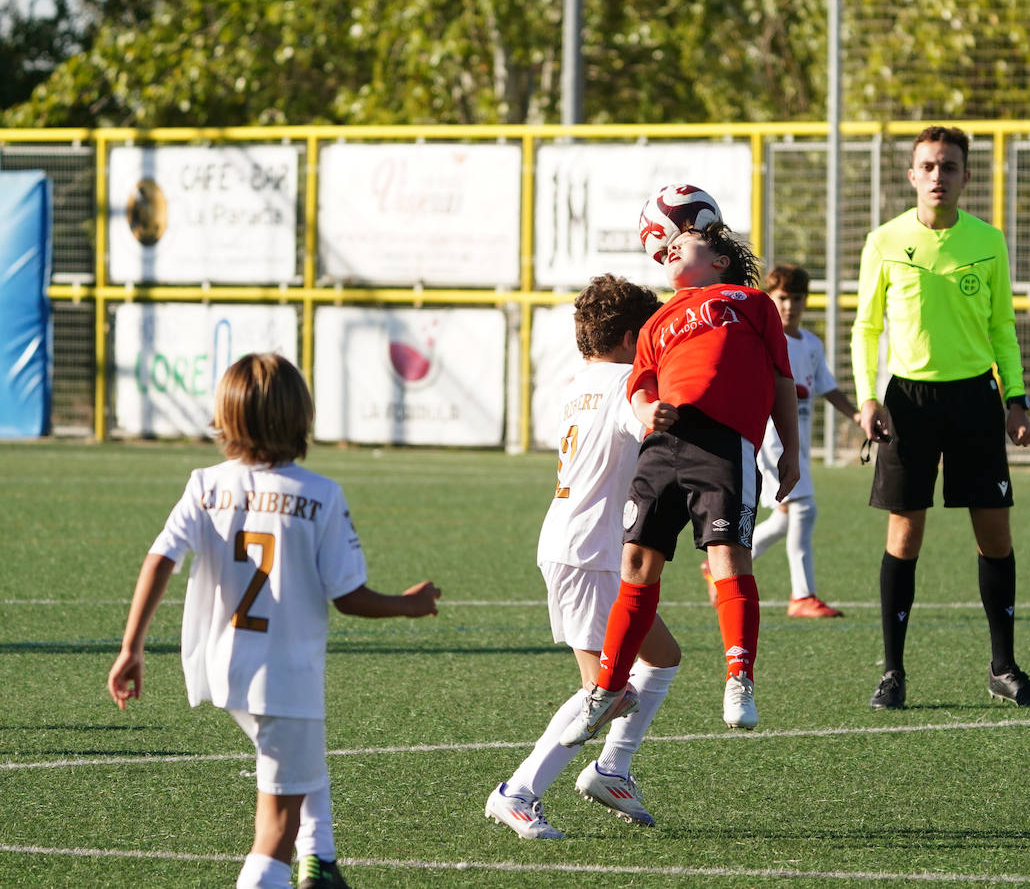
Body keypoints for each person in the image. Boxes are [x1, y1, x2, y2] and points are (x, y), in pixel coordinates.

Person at [106, 353, 441, 889]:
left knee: (301, 771)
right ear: (300, 417)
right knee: (275, 829)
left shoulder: (205, 484)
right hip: (283, 677)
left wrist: (131, 648)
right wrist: (411, 603)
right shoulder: (319, 494)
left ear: (227, 417)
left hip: (225, 667)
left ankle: (322, 861)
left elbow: (159, 559)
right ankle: (310, 862)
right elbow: (349, 598)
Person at [559, 219, 800, 745]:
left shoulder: (749, 302)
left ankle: (740, 678)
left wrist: (791, 452)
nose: (669, 248)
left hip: (722, 441)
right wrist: (648, 409)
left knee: (726, 554)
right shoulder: (656, 321)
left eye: (684, 243)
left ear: (718, 261)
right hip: (662, 445)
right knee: (636, 561)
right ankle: (606, 686)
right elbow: (640, 387)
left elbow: (782, 379)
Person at [850, 125, 1030, 711]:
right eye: (929, 166)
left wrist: (1016, 399)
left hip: (975, 402)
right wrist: (868, 397)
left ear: (966, 176)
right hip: (908, 405)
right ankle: (892, 672)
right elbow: (866, 328)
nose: (939, 176)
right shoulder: (884, 240)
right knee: (905, 536)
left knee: (995, 536)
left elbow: (1002, 329)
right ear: (912, 175)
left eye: (950, 166)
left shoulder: (989, 241)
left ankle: (1003, 667)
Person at [484, 275, 682, 839]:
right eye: (647, 336)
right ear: (628, 338)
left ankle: (612, 771)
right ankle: (518, 791)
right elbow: (644, 420)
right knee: (608, 689)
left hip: (586, 545)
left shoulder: (578, 383)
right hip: (589, 552)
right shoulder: (626, 382)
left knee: (662, 657)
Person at [712, 262, 861, 618]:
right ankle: (802, 595)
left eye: (797, 298)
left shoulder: (810, 343)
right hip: (770, 441)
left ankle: (715, 570)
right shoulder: (763, 339)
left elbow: (827, 388)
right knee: (804, 510)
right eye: (782, 298)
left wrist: (858, 416)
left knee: (783, 519)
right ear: (770, 299)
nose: (790, 306)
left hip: (798, 443)